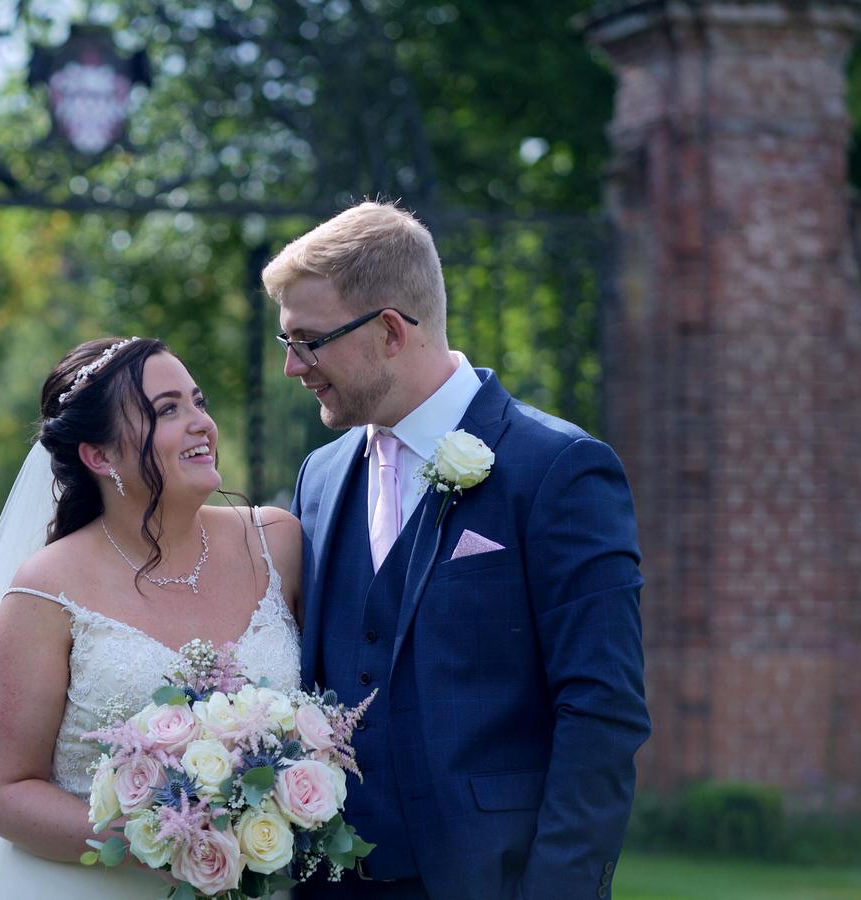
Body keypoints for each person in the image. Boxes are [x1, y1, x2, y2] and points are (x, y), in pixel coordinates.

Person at [267, 202, 650, 900]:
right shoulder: (317, 478)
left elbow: (603, 708)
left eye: (309, 341)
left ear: (389, 331)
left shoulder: (559, 468)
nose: (293, 367)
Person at [0, 336, 304, 899]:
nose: (201, 424)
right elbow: (3, 794)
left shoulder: (276, 544)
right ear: (100, 456)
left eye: (198, 401)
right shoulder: (46, 593)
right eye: (167, 410)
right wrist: (165, 837)